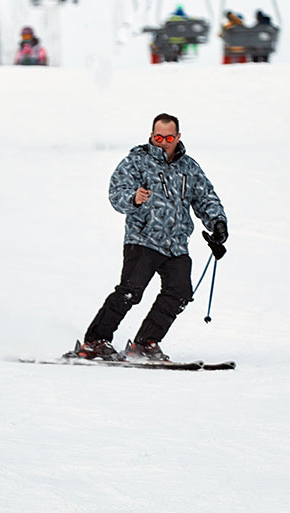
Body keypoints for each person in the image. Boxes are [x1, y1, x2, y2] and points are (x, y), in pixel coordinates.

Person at [76, 113, 228, 362]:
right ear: (151, 136)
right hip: (143, 238)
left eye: (169, 137)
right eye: (158, 137)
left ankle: (145, 344)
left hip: (177, 243)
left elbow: (205, 198)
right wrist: (133, 198)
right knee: (130, 292)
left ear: (178, 137)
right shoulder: (136, 162)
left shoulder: (189, 167)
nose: (163, 141)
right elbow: (116, 193)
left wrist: (218, 224)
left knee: (179, 293)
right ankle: (94, 342)